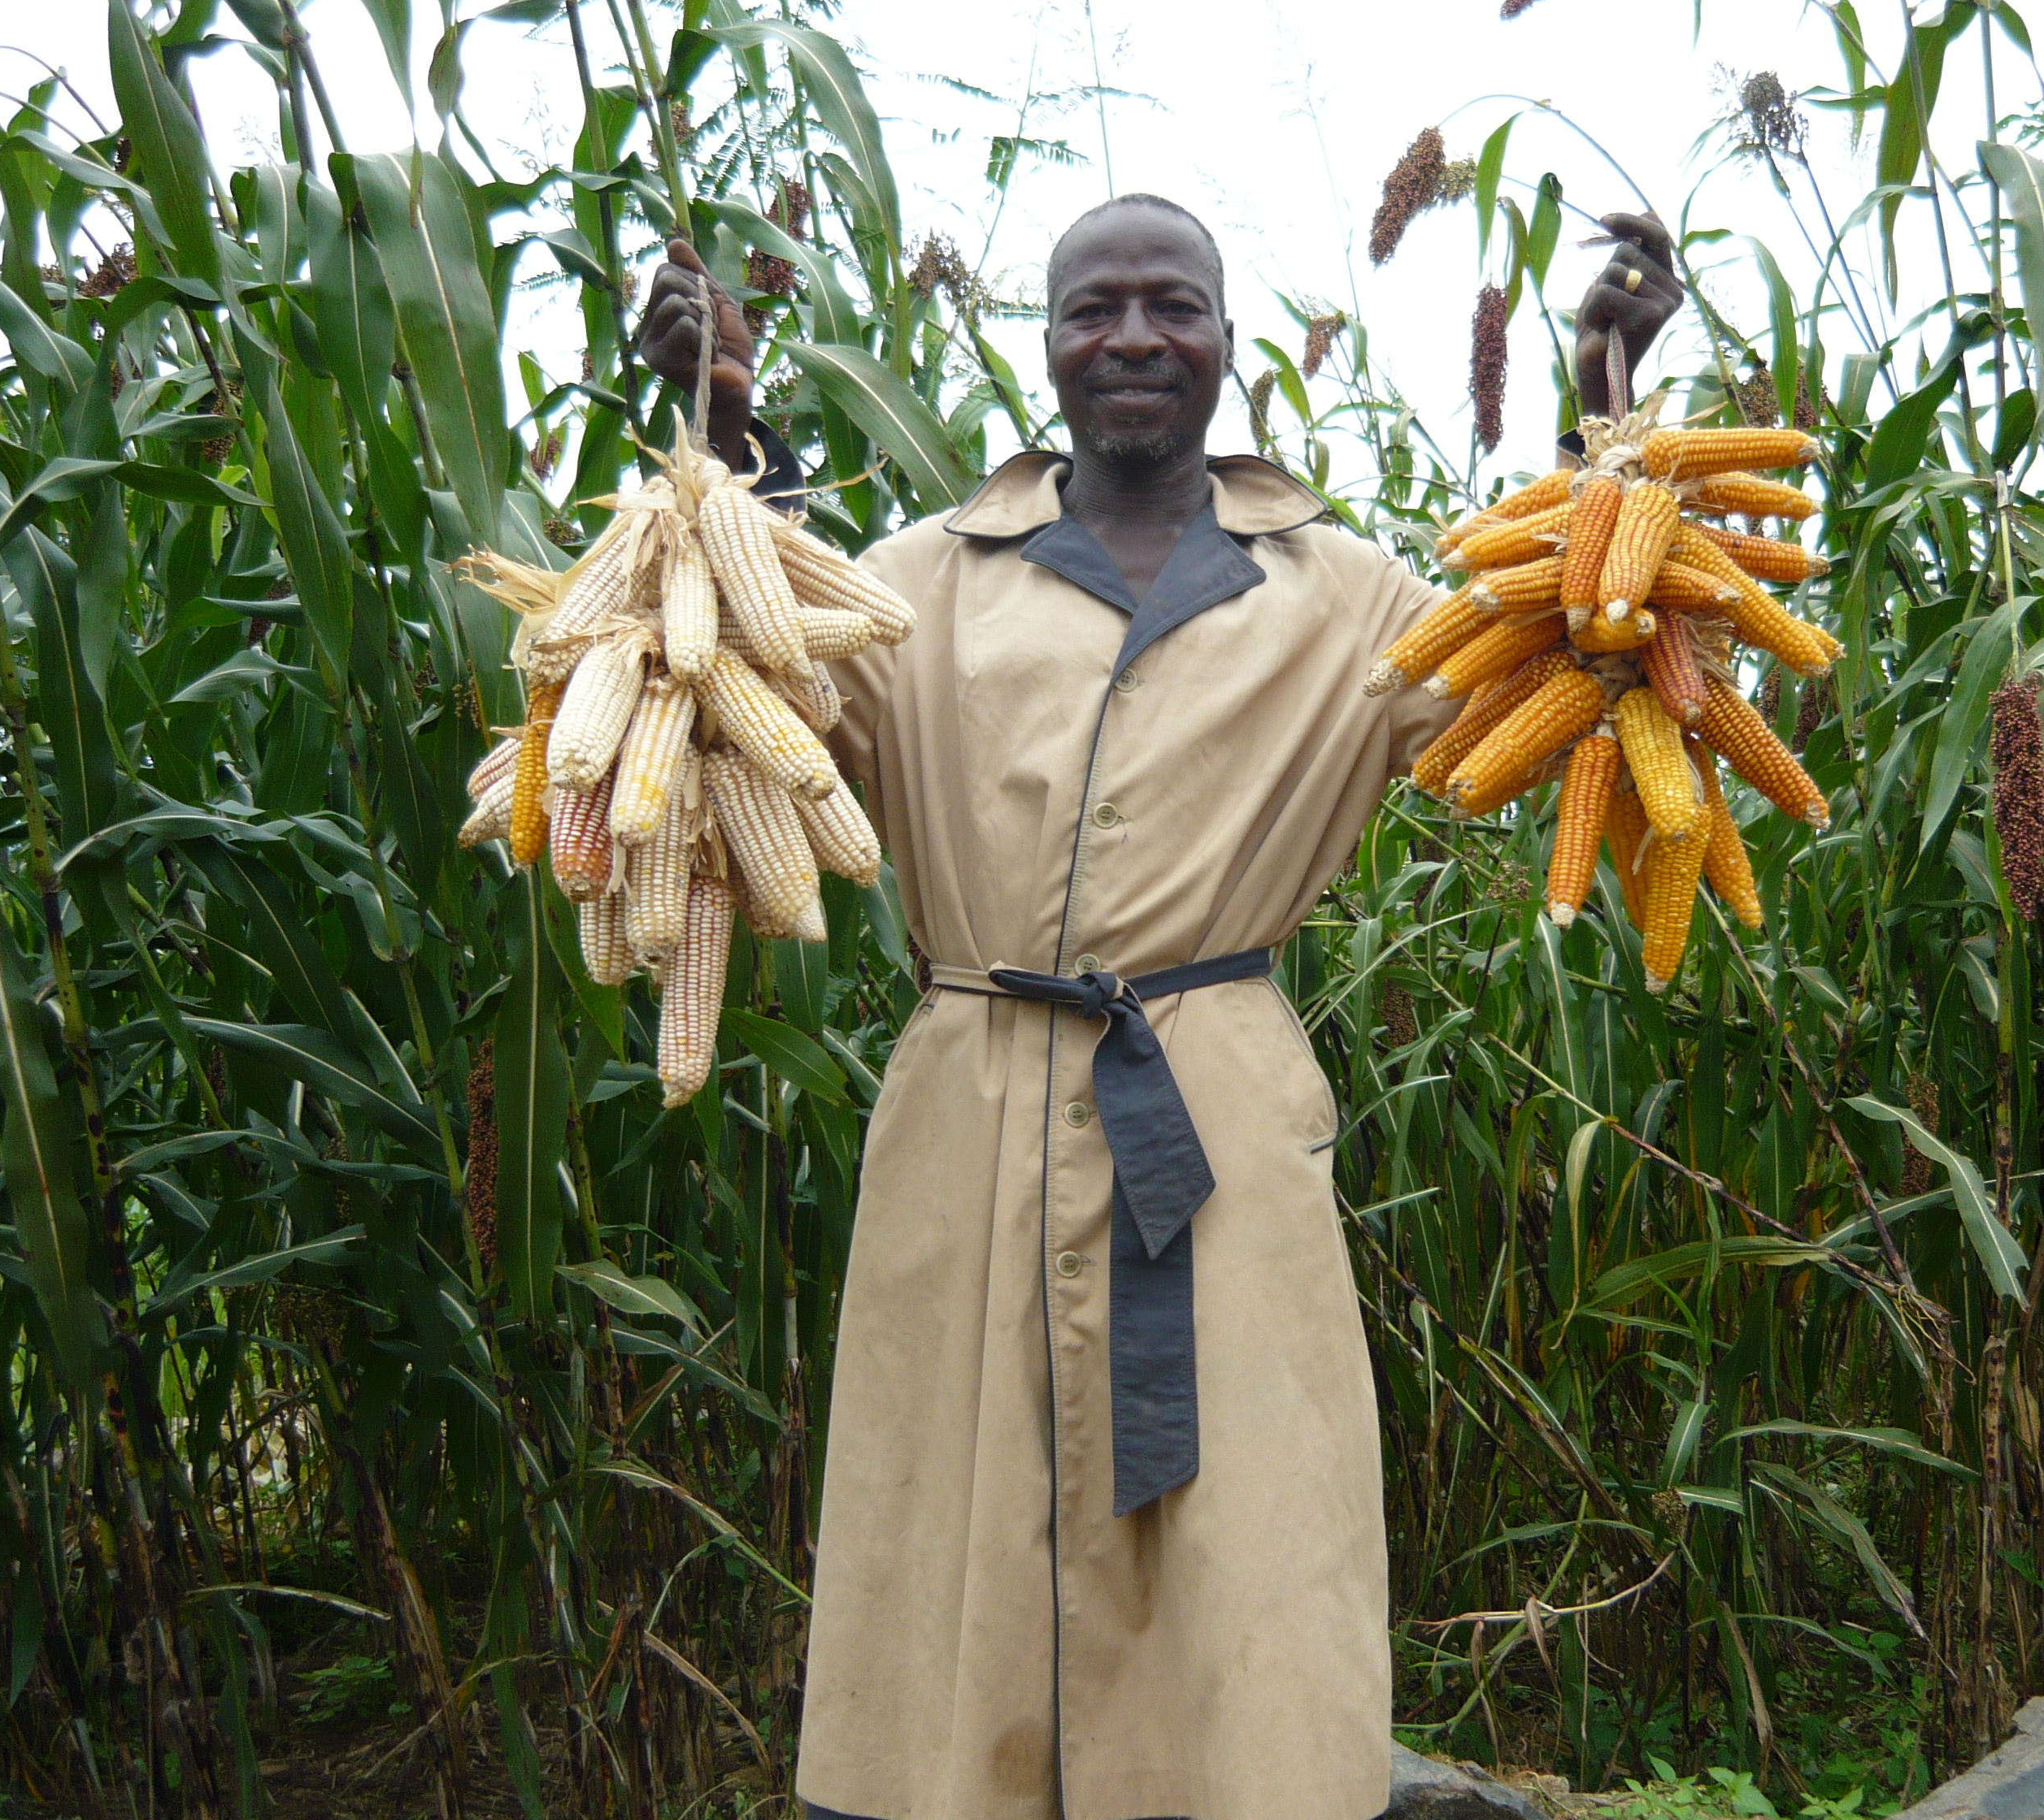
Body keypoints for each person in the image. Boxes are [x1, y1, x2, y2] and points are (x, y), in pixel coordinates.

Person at [637, 195, 1681, 1820]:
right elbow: (761, 701)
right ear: (1046, 350)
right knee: (964, 1528)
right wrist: (720, 429)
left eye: (1172, 307)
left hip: (1218, 1116)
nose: (1134, 338)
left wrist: (1602, 428)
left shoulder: (1343, 592)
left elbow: (1538, 674)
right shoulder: (922, 577)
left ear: (1225, 345)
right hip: (976, 1101)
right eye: (1093, 311)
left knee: (1249, 1533)